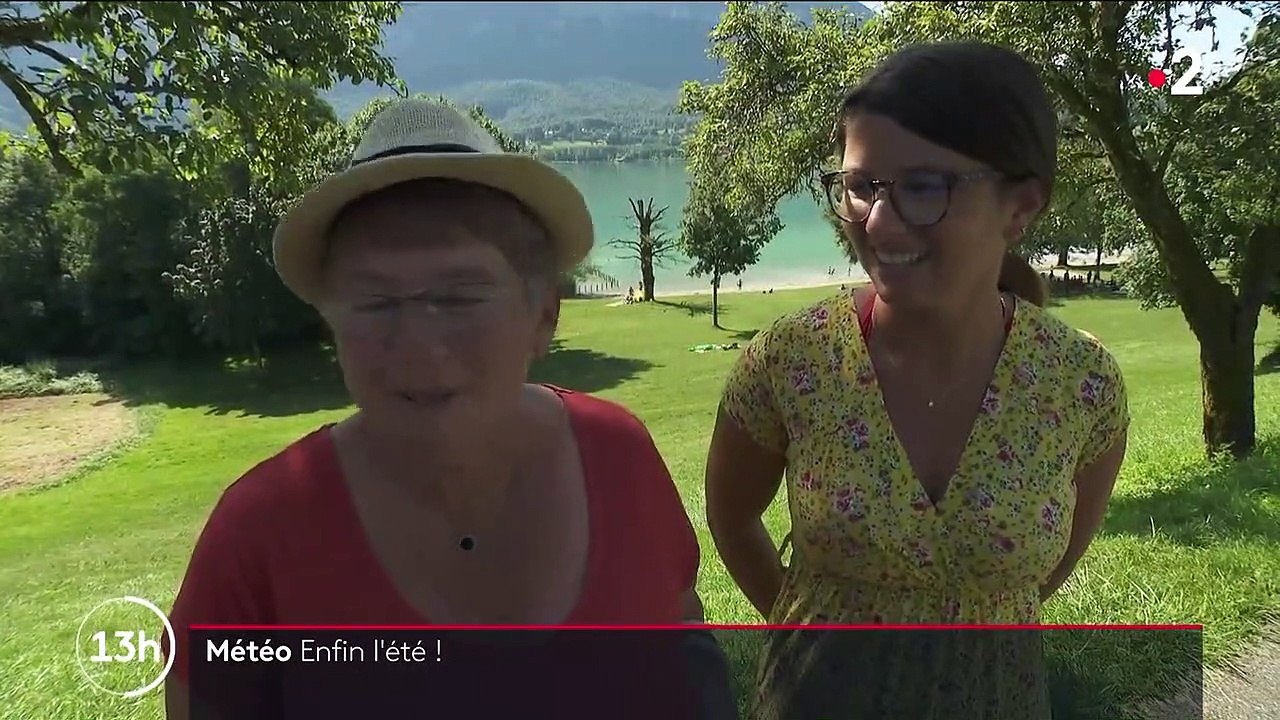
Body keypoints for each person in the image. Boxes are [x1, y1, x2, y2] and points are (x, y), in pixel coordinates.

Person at [164, 99, 732, 719]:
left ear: (542, 317)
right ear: (333, 325)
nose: (416, 342)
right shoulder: (258, 533)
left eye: (459, 297)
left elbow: (684, 645)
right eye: (375, 301)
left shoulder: (620, 455)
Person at [703, 41, 1130, 718]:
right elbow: (730, 514)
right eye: (860, 186)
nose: (876, 221)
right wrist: (809, 627)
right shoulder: (795, 360)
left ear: (1019, 207)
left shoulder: (1080, 386)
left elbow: (1042, 576)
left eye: (924, 186)